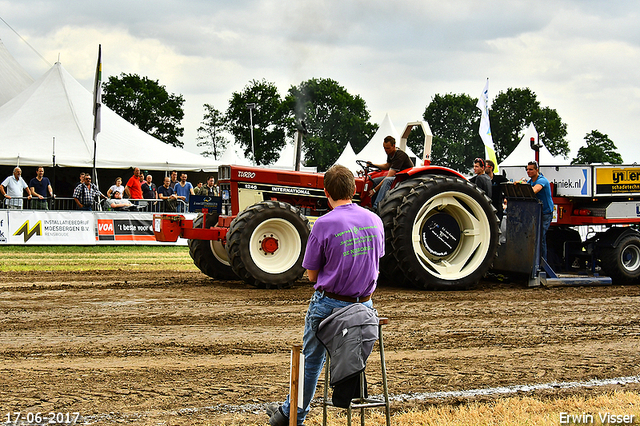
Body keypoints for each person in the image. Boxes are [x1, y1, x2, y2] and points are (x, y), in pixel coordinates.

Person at [266, 165, 384, 426]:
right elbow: (376, 259)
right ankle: (289, 411)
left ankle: (292, 415)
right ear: (354, 190)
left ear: (326, 192)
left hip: (330, 305)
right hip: (364, 307)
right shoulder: (375, 220)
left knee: (310, 363)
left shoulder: (323, 223)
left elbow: (311, 275)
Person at [367, 135, 414, 210]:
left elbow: (390, 175)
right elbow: (387, 166)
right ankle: (370, 205)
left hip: (404, 179)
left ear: (393, 146)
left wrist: (374, 190)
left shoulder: (399, 155)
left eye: (388, 148)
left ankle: (376, 207)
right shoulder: (390, 154)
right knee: (374, 181)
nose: (386, 150)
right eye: (384, 148)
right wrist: (373, 165)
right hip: (397, 177)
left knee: (387, 180)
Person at [525, 160, 554, 261]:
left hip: (546, 213)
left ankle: (542, 262)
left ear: (537, 170)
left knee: (540, 237)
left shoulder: (542, 180)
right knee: (536, 237)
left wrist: (522, 186)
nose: (528, 171)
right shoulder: (531, 181)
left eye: (531, 169)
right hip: (537, 212)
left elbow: (534, 190)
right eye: (527, 169)